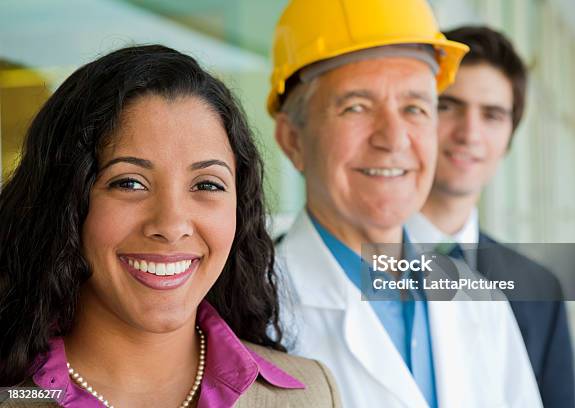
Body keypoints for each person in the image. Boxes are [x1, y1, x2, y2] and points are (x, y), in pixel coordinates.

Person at [0, 45, 341, 408]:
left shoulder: (311, 394)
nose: (172, 225)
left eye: (207, 184)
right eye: (129, 182)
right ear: (66, 201)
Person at [269, 0, 543, 407]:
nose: (394, 139)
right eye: (356, 107)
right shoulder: (251, 314)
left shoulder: (479, 301)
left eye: (415, 108)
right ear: (293, 140)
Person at [406, 25, 575, 408]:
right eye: (448, 106)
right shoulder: (349, 262)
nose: (470, 133)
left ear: (509, 139)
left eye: (493, 115)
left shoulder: (539, 290)